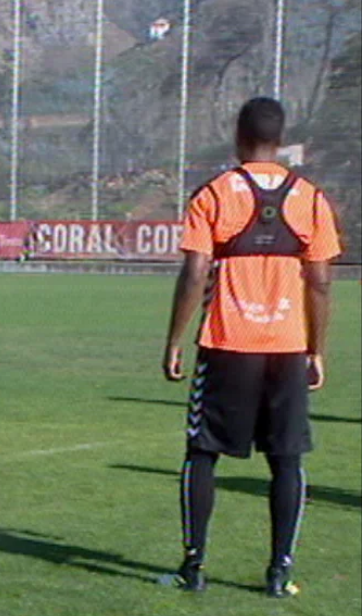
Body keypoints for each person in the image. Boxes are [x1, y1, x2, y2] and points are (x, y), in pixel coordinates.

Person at [161, 97, 341, 597]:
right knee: (286, 460)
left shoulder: (214, 194)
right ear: (279, 141)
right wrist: (316, 350)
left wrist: (175, 340)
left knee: (202, 453)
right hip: (287, 348)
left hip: (225, 345)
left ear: (238, 136)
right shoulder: (310, 197)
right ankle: (279, 571)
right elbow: (321, 281)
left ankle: (193, 567)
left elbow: (196, 271)